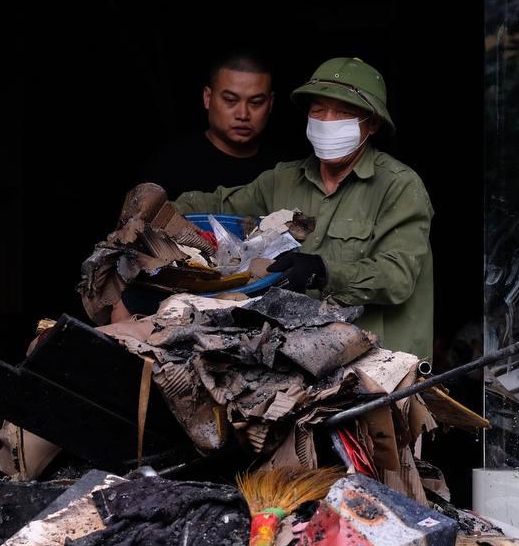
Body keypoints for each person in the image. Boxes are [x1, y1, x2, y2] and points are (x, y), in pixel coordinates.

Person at [174, 57, 434, 359]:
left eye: (343, 112)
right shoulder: (283, 179)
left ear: (372, 123)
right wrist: (156, 207)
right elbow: (216, 205)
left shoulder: (399, 186)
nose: (327, 120)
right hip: (299, 359)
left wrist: (322, 272)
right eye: (319, 110)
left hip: (377, 366)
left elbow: (396, 277)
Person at [138, 54, 276, 197]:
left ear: (270, 104)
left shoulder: (283, 170)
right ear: (207, 98)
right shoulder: (170, 163)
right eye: (230, 100)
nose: (243, 114)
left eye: (256, 102)